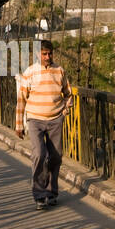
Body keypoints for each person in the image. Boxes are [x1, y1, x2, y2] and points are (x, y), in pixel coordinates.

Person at [15, 40, 72, 210]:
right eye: (44, 53)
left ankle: (52, 193)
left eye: (50, 53)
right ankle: (39, 194)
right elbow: (21, 100)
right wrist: (19, 125)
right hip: (35, 120)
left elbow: (68, 94)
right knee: (39, 154)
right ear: (38, 54)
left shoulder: (60, 71)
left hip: (55, 119)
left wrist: (65, 110)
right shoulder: (30, 72)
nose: (47, 57)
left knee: (55, 157)